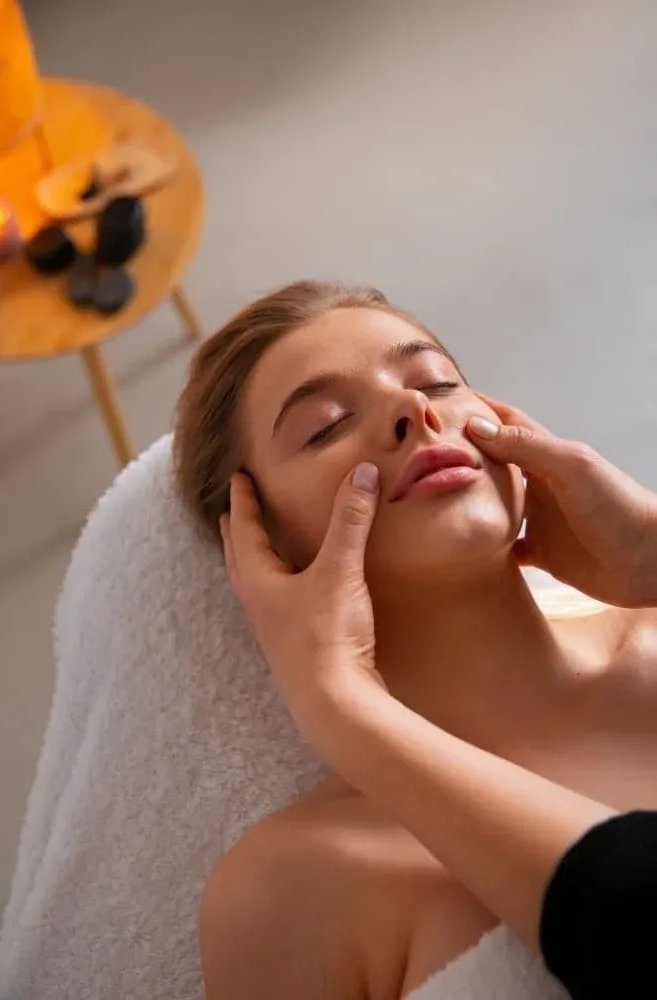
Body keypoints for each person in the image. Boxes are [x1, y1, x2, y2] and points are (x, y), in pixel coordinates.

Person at [174, 280, 657, 999]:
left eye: (436, 380)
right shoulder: (286, 888)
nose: (413, 409)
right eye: (325, 425)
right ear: (263, 548)